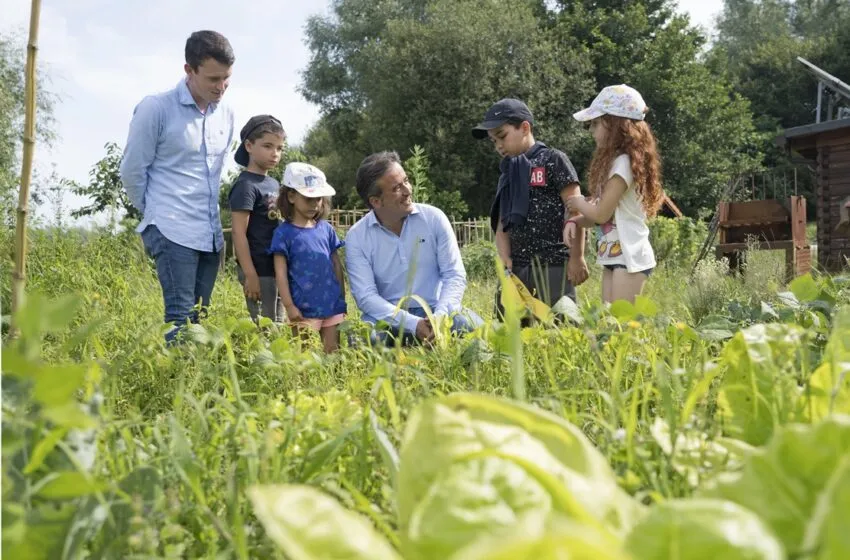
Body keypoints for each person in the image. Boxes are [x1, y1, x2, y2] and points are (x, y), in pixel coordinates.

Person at [120, 30, 236, 344]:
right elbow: (131, 170)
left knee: (200, 318)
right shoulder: (156, 108)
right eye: (213, 78)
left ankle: (194, 380)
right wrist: (156, 214)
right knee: (181, 317)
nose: (220, 87)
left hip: (209, 233)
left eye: (226, 78)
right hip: (171, 229)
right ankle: (177, 386)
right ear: (189, 70)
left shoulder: (226, 114)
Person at [345, 151, 483, 346]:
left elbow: (454, 275)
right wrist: (413, 323)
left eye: (407, 181)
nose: (408, 190)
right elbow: (366, 297)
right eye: (397, 188)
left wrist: (439, 317)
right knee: (361, 339)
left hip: (436, 310)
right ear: (376, 201)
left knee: (478, 332)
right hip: (388, 318)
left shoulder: (434, 218)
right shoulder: (357, 237)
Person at [471, 98, 589, 320]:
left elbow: (575, 210)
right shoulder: (507, 172)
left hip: (554, 265)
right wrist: (505, 259)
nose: (498, 145)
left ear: (525, 127)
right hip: (516, 268)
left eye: (502, 136)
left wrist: (577, 257)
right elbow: (502, 223)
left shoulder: (554, 160)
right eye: (493, 140)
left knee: (559, 330)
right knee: (510, 332)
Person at [565, 84, 663, 304]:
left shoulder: (623, 164)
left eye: (596, 124)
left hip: (630, 257)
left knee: (622, 327)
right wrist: (576, 222)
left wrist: (578, 202)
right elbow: (604, 218)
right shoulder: (617, 164)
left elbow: (600, 214)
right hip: (615, 255)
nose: (591, 130)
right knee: (610, 325)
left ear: (616, 124)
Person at [269, 162, 347, 353]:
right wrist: (289, 306)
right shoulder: (283, 233)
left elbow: (336, 264)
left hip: (332, 304)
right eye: (308, 198)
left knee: (333, 355)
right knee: (305, 359)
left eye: (318, 198)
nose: (314, 204)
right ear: (291, 196)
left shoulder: (326, 229)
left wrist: (342, 298)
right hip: (302, 310)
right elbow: (280, 274)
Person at [228, 114, 286, 323]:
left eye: (279, 148)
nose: (275, 153)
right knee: (265, 325)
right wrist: (250, 274)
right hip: (258, 269)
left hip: (277, 267)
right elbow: (238, 233)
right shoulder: (245, 185)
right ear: (249, 146)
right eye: (268, 146)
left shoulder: (273, 183)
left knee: (280, 323)